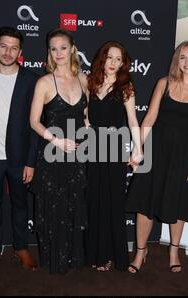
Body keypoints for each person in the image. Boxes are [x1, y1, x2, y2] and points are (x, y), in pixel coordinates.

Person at [126, 41, 188, 273]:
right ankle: (140, 252)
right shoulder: (163, 84)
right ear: (177, 61)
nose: (187, 62)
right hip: (156, 150)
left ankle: (174, 250)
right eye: (182, 57)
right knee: (145, 203)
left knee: (178, 204)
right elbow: (149, 118)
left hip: (183, 155)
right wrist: (138, 149)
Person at [0, 27, 39, 276]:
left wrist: (31, 161)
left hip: (19, 158)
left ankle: (21, 247)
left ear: (20, 52)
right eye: (4, 46)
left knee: (20, 204)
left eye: (14, 48)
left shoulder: (31, 80)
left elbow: (35, 126)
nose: (8, 52)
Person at [29, 28, 89, 274]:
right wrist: (56, 141)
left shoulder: (84, 79)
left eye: (63, 47)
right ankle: (56, 260)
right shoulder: (44, 82)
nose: (59, 53)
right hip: (52, 153)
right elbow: (34, 121)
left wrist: (89, 130)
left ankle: (74, 258)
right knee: (54, 206)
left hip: (77, 154)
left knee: (74, 203)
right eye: (53, 48)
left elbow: (85, 115)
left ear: (72, 48)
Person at [85, 41, 142, 272]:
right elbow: (85, 113)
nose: (114, 63)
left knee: (112, 202)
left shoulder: (126, 86)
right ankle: (93, 253)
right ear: (102, 58)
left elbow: (132, 121)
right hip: (93, 147)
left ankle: (110, 254)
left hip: (115, 147)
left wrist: (138, 150)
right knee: (94, 200)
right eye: (110, 57)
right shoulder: (90, 82)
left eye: (119, 59)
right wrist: (87, 126)